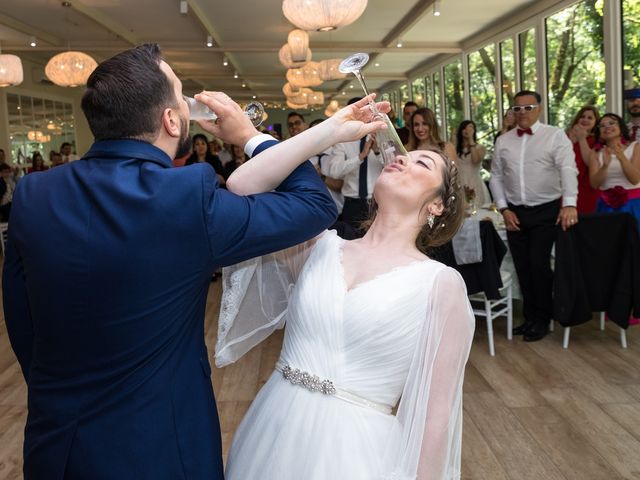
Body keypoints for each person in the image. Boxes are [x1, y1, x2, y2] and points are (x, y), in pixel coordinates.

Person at [2, 43, 387, 479]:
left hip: (56, 443)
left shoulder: (34, 195)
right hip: (162, 447)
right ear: (171, 120)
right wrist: (250, 136)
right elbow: (313, 205)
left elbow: (22, 321)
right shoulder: (186, 197)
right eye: (182, 100)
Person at [217, 148, 473, 480]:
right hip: (272, 429)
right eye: (400, 156)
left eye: (421, 163)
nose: (402, 159)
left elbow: (436, 414)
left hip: (358, 454)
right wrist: (334, 131)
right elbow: (243, 185)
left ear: (437, 205)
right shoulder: (317, 247)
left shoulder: (440, 284)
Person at [490, 90, 578, 342]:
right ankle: (530, 317)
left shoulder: (554, 136)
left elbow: (568, 169)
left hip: (546, 209)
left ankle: (544, 318)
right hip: (514, 212)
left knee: (539, 265)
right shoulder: (504, 140)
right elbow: (495, 176)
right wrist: (504, 208)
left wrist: (569, 203)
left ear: (539, 109)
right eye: (517, 108)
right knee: (522, 267)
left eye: (528, 108)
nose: (522, 113)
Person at [325, 97, 384, 235]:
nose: (363, 116)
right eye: (359, 112)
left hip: (377, 204)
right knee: (349, 245)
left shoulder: (382, 136)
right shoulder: (343, 141)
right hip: (352, 205)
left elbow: (393, 165)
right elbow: (335, 171)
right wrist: (360, 157)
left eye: (367, 112)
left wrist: (377, 151)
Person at [588, 113, 640, 227]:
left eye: (611, 123)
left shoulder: (636, 147)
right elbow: (594, 184)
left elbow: (635, 179)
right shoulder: (595, 153)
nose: (607, 127)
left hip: (633, 204)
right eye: (602, 125)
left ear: (621, 127)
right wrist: (605, 166)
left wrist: (621, 157)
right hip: (606, 207)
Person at [567, 106, 600, 214]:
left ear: (596, 122)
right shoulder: (565, 136)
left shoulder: (597, 140)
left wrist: (581, 139)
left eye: (590, 118)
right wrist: (571, 142)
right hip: (567, 186)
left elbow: (590, 163)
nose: (585, 120)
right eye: (582, 116)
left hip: (587, 189)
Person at [455, 120, 490, 206]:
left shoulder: (480, 147)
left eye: (470, 127)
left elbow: (475, 161)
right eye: (464, 128)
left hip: (475, 183)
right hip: (460, 183)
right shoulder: (456, 149)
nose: (467, 130)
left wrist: (471, 140)